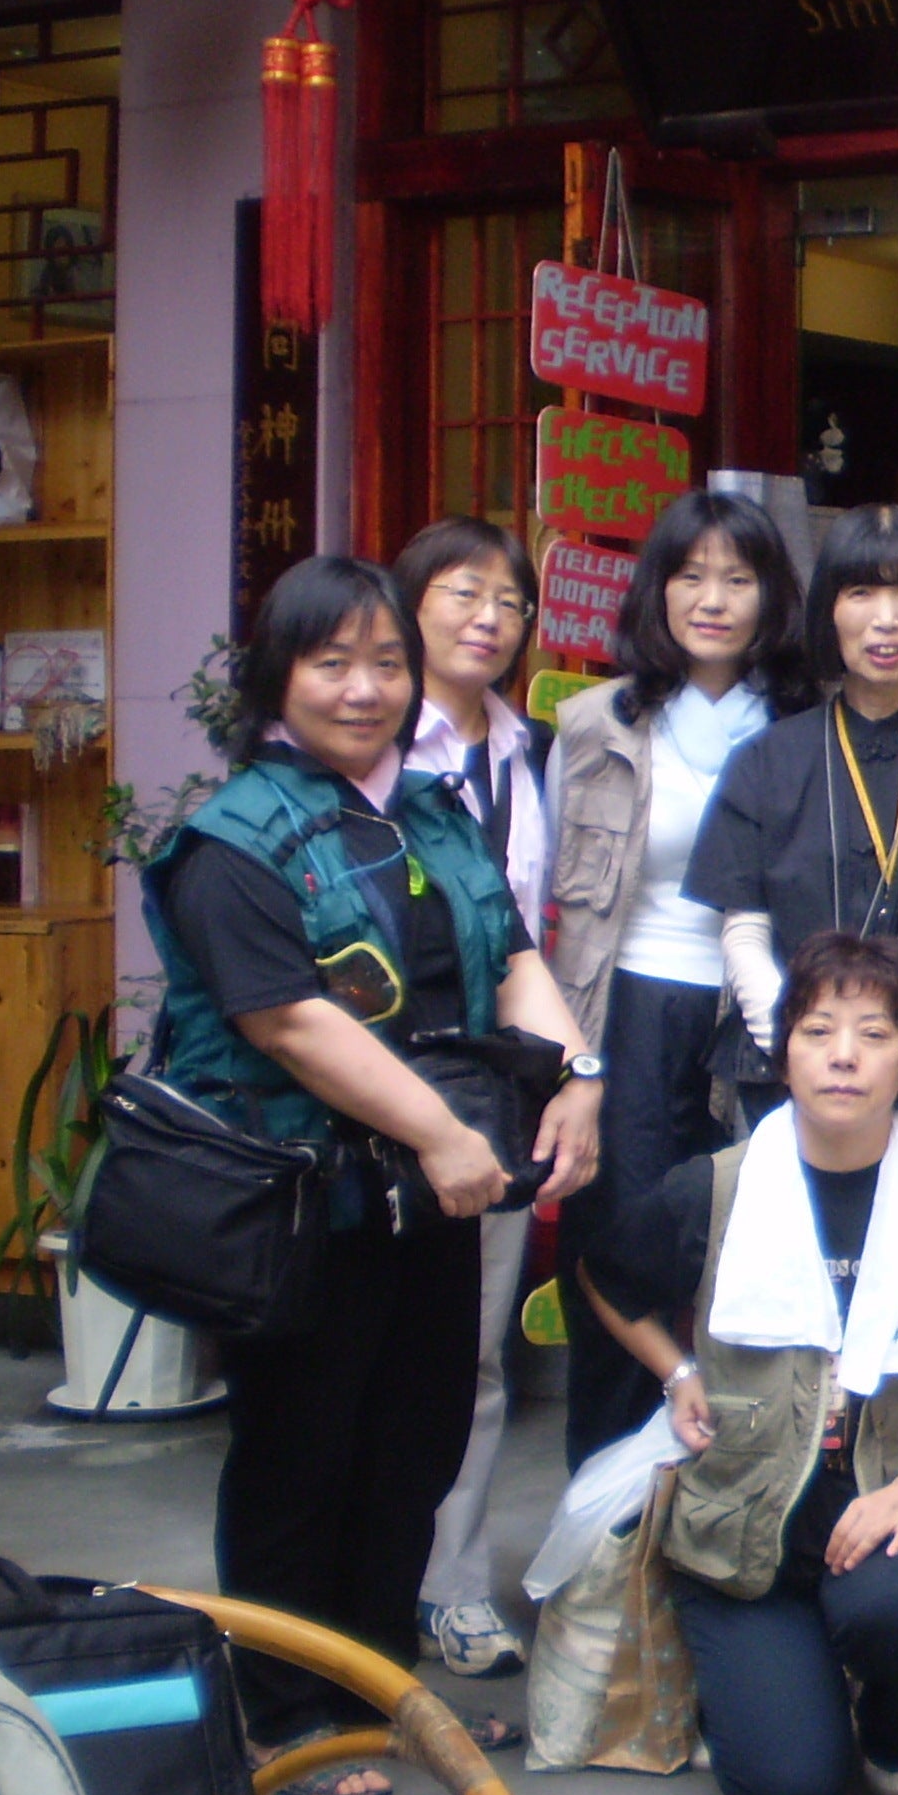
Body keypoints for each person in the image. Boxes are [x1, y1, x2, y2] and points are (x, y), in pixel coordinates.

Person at [142, 556, 602, 1795]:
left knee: (416, 1442)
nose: (363, 689)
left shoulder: (432, 813)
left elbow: (510, 953)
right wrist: (444, 1136)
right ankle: (284, 1714)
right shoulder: (232, 837)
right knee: (301, 1456)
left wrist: (577, 1074)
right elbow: (287, 1021)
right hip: (303, 1204)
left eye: (386, 664)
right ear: (277, 677)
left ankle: (379, 1687)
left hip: (429, 1203)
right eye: (331, 663)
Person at [579, 932, 898, 1795]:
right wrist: (677, 1370)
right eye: (818, 1032)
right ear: (783, 1056)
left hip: (893, 1512)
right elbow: (605, 1277)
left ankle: (893, 1714)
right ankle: (780, 1674)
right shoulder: (716, 1188)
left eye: (874, 1034)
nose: (843, 1056)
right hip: (745, 1525)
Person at [545, 490, 810, 1465]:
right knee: (623, 1249)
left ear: (771, 596)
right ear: (656, 589)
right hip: (630, 1013)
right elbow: (550, 895)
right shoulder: (595, 724)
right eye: (690, 575)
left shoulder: (801, 727)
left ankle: (742, 1500)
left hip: (761, 1015)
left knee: (756, 1250)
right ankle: (608, 1507)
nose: (713, 599)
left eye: (738, 578)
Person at [688, 503, 898, 1152]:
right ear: (829, 610)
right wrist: (799, 1048)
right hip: (783, 1078)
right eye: (861, 592)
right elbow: (743, 930)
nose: (887, 618)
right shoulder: (764, 760)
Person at [389, 516, 556, 1681]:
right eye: (462, 593)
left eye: (508, 600)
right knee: (361, 1347)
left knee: (475, 1351)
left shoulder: (531, 748)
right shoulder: (376, 742)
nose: (489, 619)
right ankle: (355, 1589)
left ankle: (452, 1586)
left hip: (495, 1081)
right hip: (377, 1078)